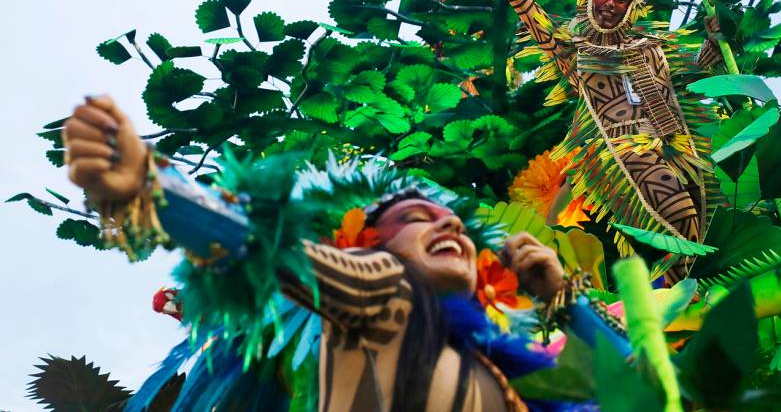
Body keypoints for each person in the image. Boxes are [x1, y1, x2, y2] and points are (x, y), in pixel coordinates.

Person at [62, 95, 581, 411]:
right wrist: (155, 186)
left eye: (455, 224)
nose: (448, 222)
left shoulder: (493, 362)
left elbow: (639, 388)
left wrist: (565, 300)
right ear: (362, 246)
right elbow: (264, 244)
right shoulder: (388, 296)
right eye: (416, 217)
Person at [452, 0, 724, 280]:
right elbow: (524, 7)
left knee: (703, 226)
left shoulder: (650, 46)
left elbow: (688, 83)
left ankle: (684, 296)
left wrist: (713, 46)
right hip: (625, 150)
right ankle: (674, 292)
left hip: (678, 148)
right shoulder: (573, 50)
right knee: (679, 215)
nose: (610, 3)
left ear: (632, 6)